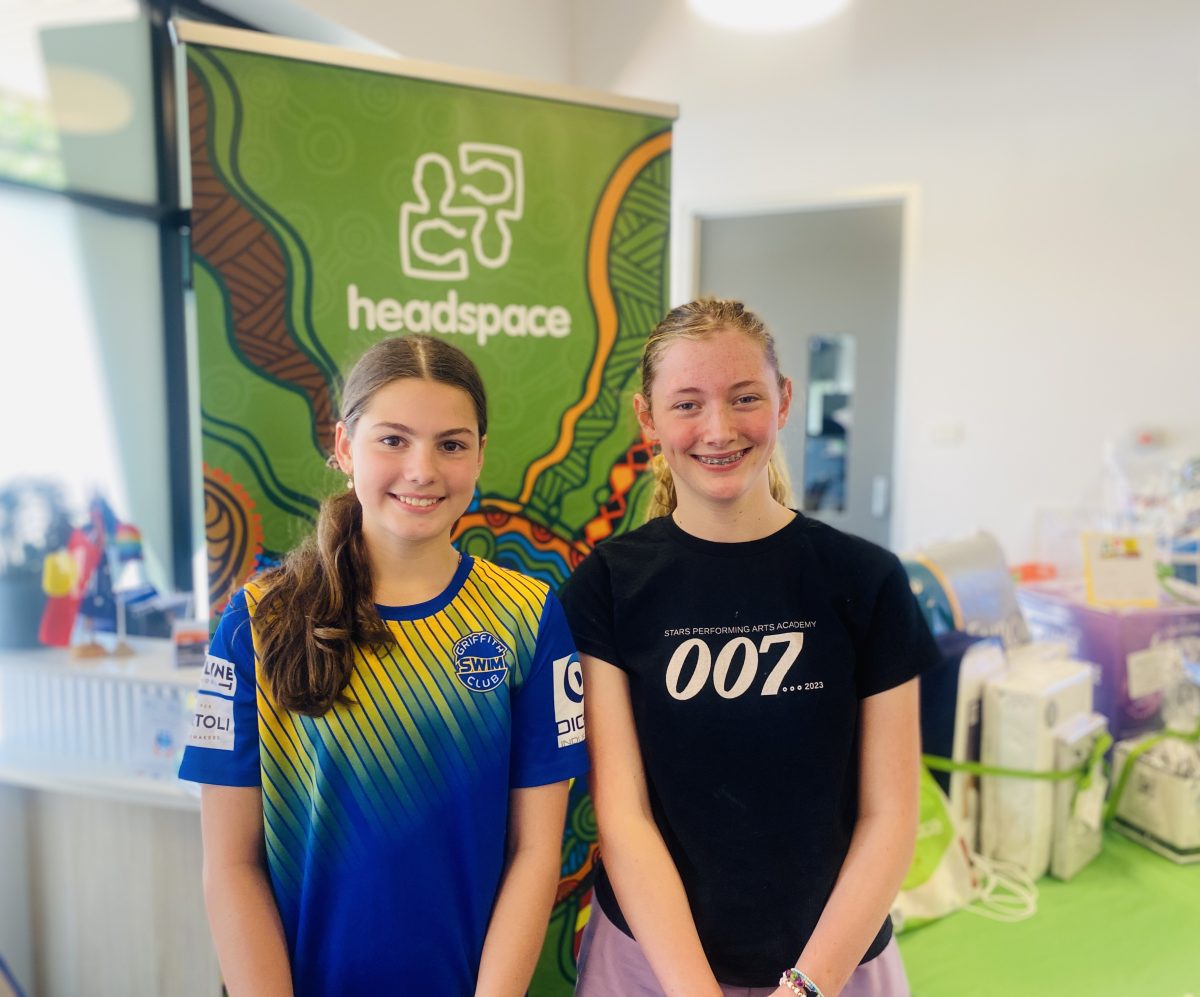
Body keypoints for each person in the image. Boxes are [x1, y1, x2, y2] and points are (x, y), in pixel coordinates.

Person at [179, 334, 589, 997]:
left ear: (480, 455)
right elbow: (231, 863)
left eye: (451, 443)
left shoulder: (529, 617)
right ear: (344, 445)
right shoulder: (255, 620)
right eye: (393, 439)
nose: (422, 469)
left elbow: (537, 852)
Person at [560, 298, 939, 997]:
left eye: (745, 398)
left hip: (837, 966)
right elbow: (623, 815)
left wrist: (808, 984)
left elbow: (891, 813)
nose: (719, 429)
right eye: (687, 404)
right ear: (648, 418)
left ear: (784, 400)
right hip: (651, 968)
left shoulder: (867, 581)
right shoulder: (606, 586)